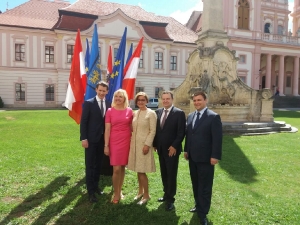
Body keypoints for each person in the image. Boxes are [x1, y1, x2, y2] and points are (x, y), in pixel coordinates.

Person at [184, 91, 222, 225]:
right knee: (196, 183)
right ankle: (198, 204)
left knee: (205, 186)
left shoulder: (213, 117)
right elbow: (189, 135)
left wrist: (215, 156)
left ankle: (203, 212)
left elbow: (217, 139)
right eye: (194, 100)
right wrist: (186, 150)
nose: (196, 103)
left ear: (205, 100)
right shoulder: (190, 116)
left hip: (206, 158)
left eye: (199, 100)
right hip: (193, 157)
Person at [153, 91, 186, 211]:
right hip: (161, 149)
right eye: (164, 99)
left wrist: (174, 146)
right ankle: (166, 193)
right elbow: (157, 131)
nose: (166, 101)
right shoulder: (158, 112)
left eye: (168, 98)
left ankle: (171, 199)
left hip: (172, 150)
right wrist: (155, 144)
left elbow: (181, 132)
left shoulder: (179, 113)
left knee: (171, 174)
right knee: (164, 173)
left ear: (172, 99)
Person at [80, 81, 111, 203]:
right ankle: (90, 191)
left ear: (107, 92)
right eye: (100, 90)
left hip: (103, 140)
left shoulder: (109, 104)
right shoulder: (89, 103)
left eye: (104, 91)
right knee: (90, 165)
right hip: (91, 140)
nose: (102, 92)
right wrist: (84, 138)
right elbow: (84, 122)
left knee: (99, 165)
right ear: (96, 90)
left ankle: (96, 186)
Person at [127, 92, 157, 205]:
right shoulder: (135, 113)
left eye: (143, 100)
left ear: (146, 101)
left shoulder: (151, 113)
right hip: (135, 145)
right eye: (138, 100)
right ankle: (140, 192)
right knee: (138, 170)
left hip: (144, 146)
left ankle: (146, 195)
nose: (140, 102)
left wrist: (147, 145)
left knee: (141, 171)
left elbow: (153, 130)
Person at [104, 89, 133, 204]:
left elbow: (132, 127)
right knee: (116, 169)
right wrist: (106, 145)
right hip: (114, 141)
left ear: (124, 98)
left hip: (126, 141)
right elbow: (107, 129)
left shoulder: (130, 111)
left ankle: (119, 190)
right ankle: (116, 193)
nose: (118, 99)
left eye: (120, 97)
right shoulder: (110, 111)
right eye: (116, 96)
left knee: (122, 167)